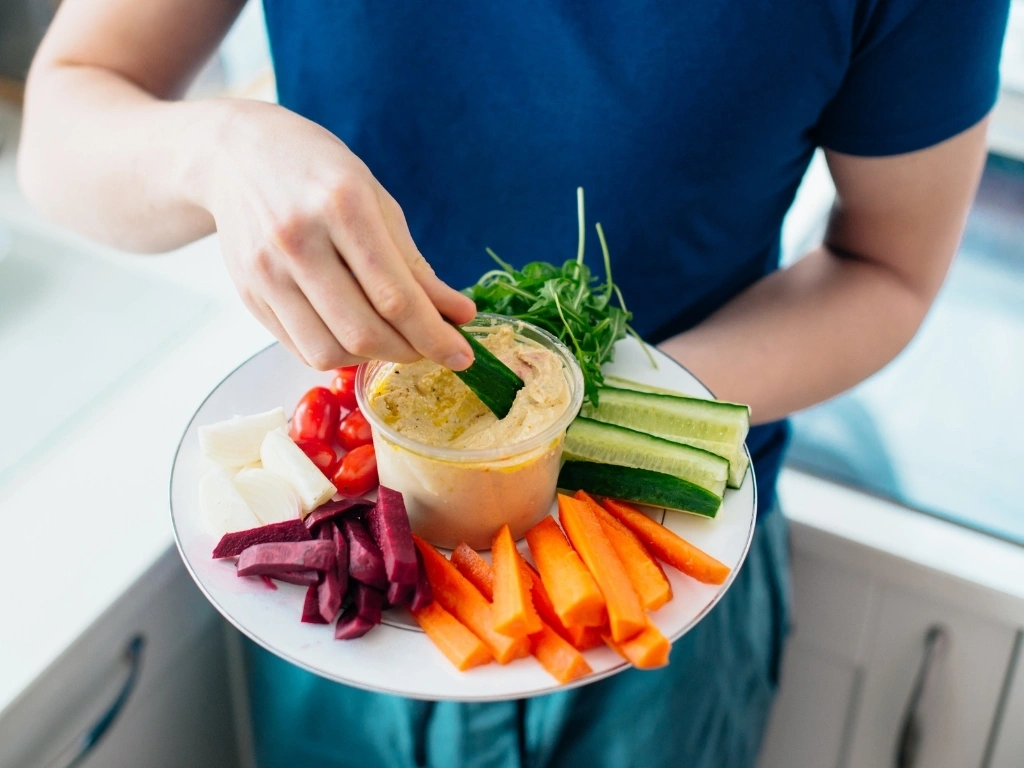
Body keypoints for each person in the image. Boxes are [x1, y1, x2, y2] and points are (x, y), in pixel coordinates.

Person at [18, 1, 1010, 766]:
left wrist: (581, 418)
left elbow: (888, 269)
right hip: (352, 587)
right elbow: (63, 123)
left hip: (647, 589)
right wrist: (216, 149)